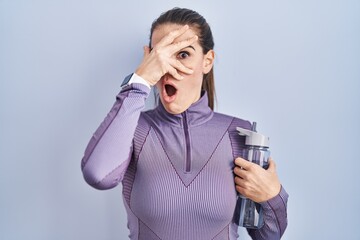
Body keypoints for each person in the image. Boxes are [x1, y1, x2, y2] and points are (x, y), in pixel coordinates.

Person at [81, 7, 288, 240]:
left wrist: (273, 196)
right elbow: (98, 175)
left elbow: (268, 236)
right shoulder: (132, 129)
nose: (169, 68)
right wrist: (139, 82)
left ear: (207, 61)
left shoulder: (238, 133)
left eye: (183, 54)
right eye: (161, 56)